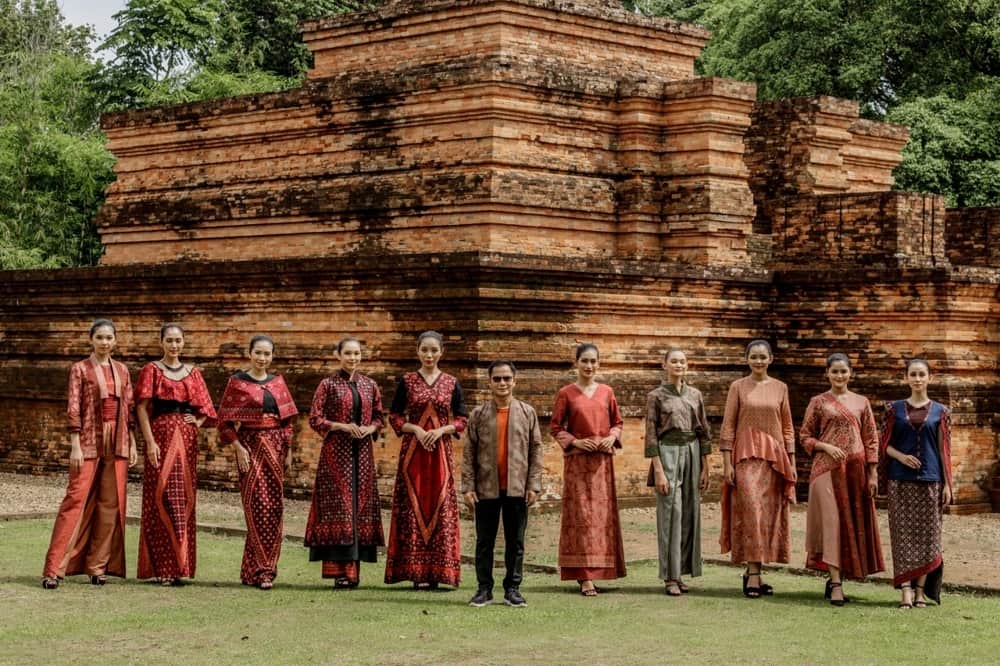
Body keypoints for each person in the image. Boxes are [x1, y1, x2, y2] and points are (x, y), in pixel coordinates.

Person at [41, 319, 137, 589]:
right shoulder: (80, 369)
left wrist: (132, 443)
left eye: (109, 337)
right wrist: (74, 443)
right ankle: (53, 569)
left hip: (117, 440)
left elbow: (128, 408)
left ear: (115, 341)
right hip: (88, 439)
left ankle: (97, 566)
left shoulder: (122, 370)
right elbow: (73, 405)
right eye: (100, 337)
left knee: (110, 504)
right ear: (91, 340)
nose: (105, 342)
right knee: (75, 499)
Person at [385, 331, 468, 590]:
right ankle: (416, 572)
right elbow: (395, 416)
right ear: (417, 351)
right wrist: (416, 430)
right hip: (414, 454)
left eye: (434, 350)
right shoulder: (407, 381)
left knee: (440, 505)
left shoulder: (452, 383)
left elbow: (462, 419)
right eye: (424, 350)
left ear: (442, 352)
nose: (429, 355)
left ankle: (439, 573)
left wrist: (443, 430)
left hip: (441, 454)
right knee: (413, 506)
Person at [136, 323, 217, 586]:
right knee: (161, 495)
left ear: (184, 343)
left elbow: (207, 408)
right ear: (161, 342)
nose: (174, 345)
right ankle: (162, 567)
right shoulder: (152, 370)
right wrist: (149, 442)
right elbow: (142, 408)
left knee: (183, 498)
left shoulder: (193, 372)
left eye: (178, 340)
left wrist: (198, 423)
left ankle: (181, 565)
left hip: (187, 439)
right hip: (160, 434)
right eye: (169, 340)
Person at [800, 353, 884, 606]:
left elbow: (871, 438)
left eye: (843, 371)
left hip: (855, 471)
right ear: (827, 373)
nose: (839, 376)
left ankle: (842, 576)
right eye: (834, 371)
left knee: (850, 524)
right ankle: (835, 582)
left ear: (850, 374)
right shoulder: (818, 402)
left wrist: (872, 473)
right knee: (832, 523)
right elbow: (805, 436)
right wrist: (825, 447)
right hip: (825, 469)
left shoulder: (861, 402)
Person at [217, 335, 298, 590]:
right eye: (258, 353)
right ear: (250, 354)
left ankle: (258, 569)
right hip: (250, 449)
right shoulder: (238, 383)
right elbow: (224, 422)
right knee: (256, 508)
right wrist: (238, 447)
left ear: (272, 356)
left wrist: (288, 452)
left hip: (275, 450)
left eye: (267, 354)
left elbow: (288, 422)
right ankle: (262, 571)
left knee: (274, 509)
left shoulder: (278, 383)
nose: (262, 358)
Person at [462, 360, 543, 608]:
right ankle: (484, 589)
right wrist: (468, 486)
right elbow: (468, 452)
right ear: (490, 382)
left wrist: (534, 484)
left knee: (515, 541)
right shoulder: (479, 414)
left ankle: (513, 589)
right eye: (497, 378)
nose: (502, 383)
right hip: (486, 487)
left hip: (517, 487)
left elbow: (536, 450)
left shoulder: (527, 412)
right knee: (484, 541)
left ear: (514, 381)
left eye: (506, 378)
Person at [306, 337, 385, 589]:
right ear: (338, 355)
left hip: (362, 455)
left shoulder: (370, 385)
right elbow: (315, 419)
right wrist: (341, 426)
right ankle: (340, 572)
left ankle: (355, 572)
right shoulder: (328, 384)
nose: (353, 358)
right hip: (335, 455)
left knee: (358, 509)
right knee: (339, 508)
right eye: (348, 353)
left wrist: (369, 427)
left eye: (357, 353)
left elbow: (379, 417)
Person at [718, 339, 795, 598]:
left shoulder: (781, 388)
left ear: (771, 359)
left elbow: (787, 427)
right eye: (754, 356)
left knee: (766, 516)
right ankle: (752, 573)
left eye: (763, 356)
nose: (759, 361)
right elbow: (728, 425)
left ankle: (757, 572)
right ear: (747, 359)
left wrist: (791, 462)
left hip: (774, 458)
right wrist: (726, 463)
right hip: (745, 456)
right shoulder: (738, 387)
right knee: (750, 511)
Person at [550, 343, 626, 597]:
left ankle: (601, 572)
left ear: (599, 363)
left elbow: (617, 422)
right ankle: (583, 577)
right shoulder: (566, 393)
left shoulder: (607, 392)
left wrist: (611, 437)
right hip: (578, 464)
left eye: (593, 361)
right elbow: (555, 427)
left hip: (602, 464)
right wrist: (575, 441)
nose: (589, 366)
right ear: (576, 363)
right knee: (580, 517)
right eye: (584, 361)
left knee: (602, 518)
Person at [879, 358, 952, 609]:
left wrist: (948, 484)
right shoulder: (893, 409)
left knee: (929, 537)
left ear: (929, 377)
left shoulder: (942, 412)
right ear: (906, 378)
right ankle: (906, 590)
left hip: (931, 481)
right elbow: (883, 445)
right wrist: (901, 456)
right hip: (900, 481)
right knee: (902, 537)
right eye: (913, 374)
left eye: (922, 374)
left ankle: (921, 591)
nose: (918, 379)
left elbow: (944, 450)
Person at [644, 348, 711, 596]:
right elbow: (650, 434)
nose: (679, 365)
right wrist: (658, 471)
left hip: (692, 451)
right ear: (665, 365)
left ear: (687, 365)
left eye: (682, 361)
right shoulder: (656, 396)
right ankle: (670, 576)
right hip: (668, 451)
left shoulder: (695, 394)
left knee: (690, 513)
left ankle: (682, 572)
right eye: (674, 361)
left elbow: (703, 429)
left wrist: (706, 465)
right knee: (671, 512)